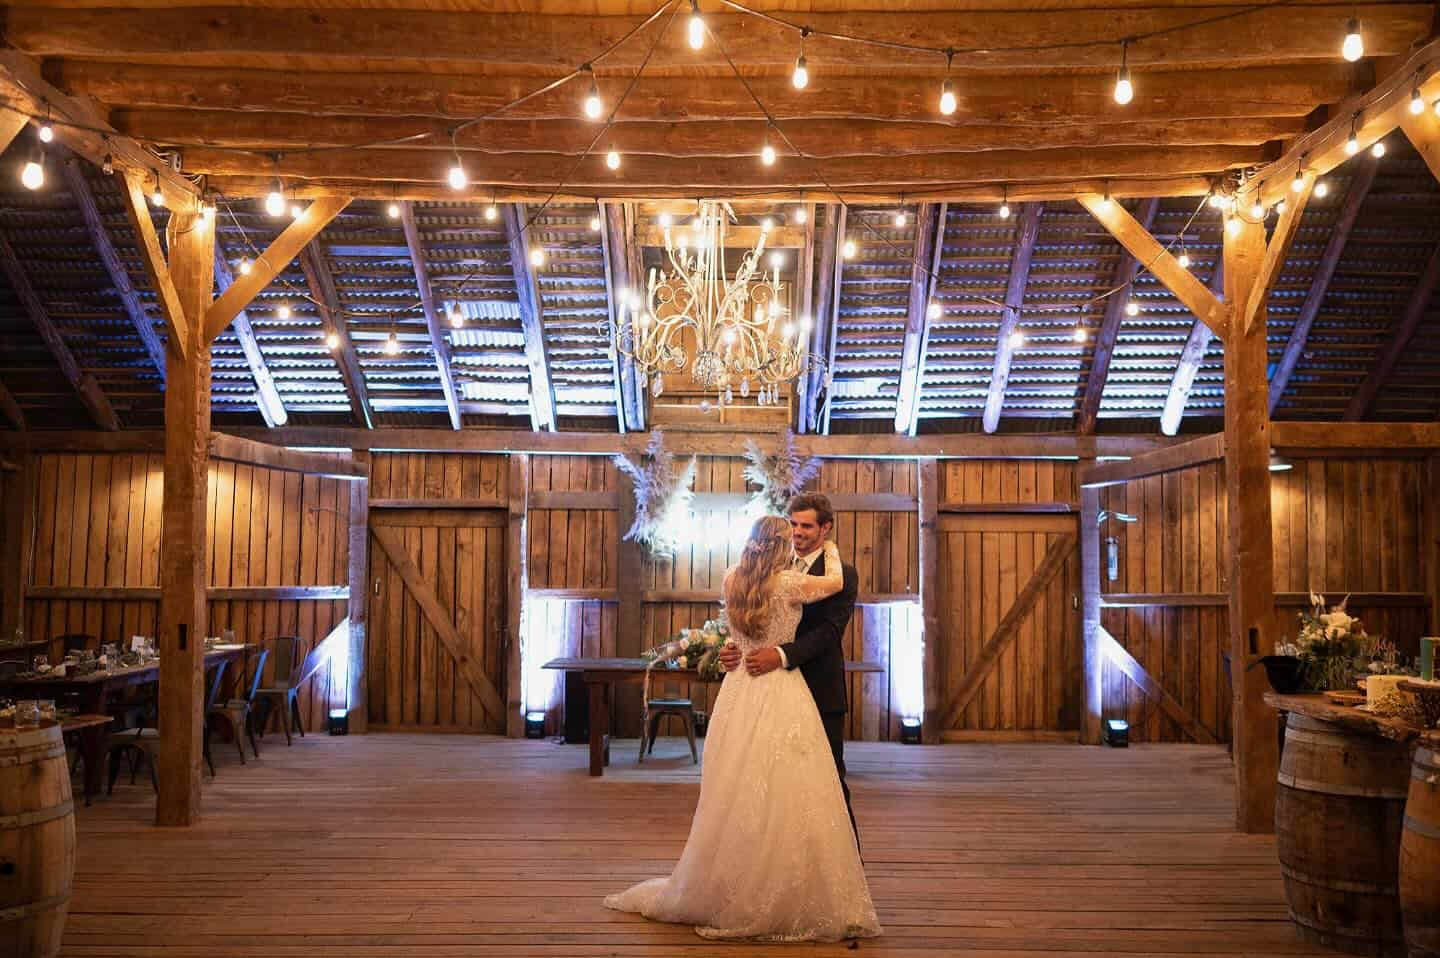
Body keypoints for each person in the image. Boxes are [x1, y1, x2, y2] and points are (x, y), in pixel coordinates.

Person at [603, 513, 880, 942]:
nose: (798, 537)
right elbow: (834, 583)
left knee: (738, 785)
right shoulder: (788, 584)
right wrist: (831, 548)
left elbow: (740, 631)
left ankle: (742, 881)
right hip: (778, 689)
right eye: (792, 532)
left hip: (738, 692)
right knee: (787, 786)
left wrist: (735, 648)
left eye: (806, 528)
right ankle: (775, 888)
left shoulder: (733, 578)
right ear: (781, 545)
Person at [722, 492, 861, 836]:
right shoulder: (770, 567)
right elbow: (748, 620)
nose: (798, 532)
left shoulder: (843, 573)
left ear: (825, 528)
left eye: (807, 526)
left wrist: (781, 655)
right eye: (793, 524)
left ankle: (842, 862)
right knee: (765, 783)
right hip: (764, 692)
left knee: (828, 784)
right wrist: (731, 648)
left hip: (818, 687)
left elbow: (830, 631)